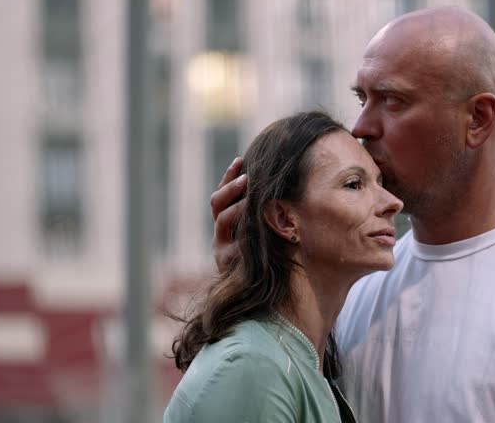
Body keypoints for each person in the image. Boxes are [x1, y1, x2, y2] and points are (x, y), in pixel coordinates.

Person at [211, 7, 495, 421]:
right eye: (362, 98)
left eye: (393, 101)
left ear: (478, 119)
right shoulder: (351, 287)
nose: (361, 127)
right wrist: (257, 289)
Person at [165, 111, 403, 422]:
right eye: (354, 184)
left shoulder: (297, 362)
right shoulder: (253, 368)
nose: (391, 202)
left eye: (380, 182)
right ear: (283, 219)